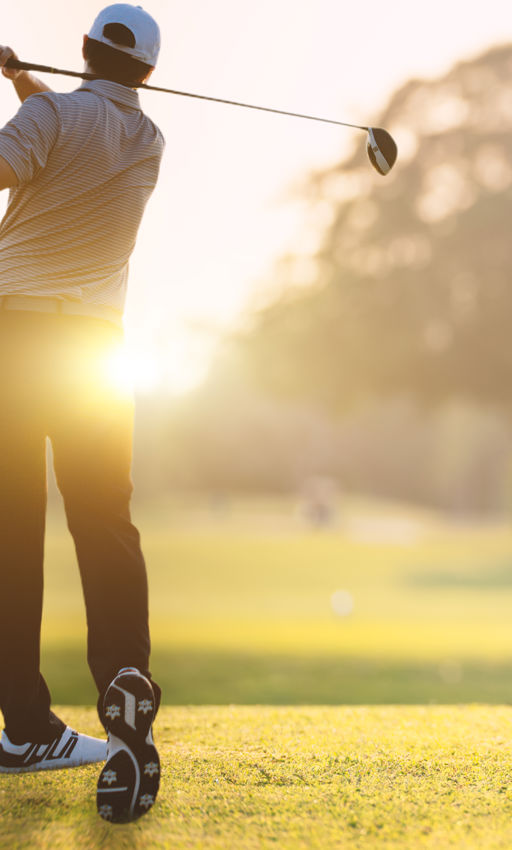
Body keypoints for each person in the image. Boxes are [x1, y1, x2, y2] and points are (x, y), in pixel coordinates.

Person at [0, 4, 164, 824]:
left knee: (10, 530)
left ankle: (26, 726)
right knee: (106, 524)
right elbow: (74, 124)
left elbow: (26, 151)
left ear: (85, 49)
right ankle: (124, 679)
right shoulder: (149, 139)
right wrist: (20, 77)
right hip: (97, 357)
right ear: (149, 74)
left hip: (14, 341)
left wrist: (25, 91)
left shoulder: (51, 118)